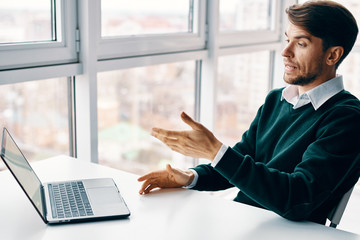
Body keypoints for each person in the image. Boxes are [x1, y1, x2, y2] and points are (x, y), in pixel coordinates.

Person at [138, 0, 360, 225]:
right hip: (243, 220)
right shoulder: (277, 99)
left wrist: (215, 151)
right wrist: (190, 177)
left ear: (332, 56)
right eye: (287, 40)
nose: (285, 52)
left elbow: (298, 199)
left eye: (301, 43)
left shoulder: (347, 118)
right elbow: (243, 162)